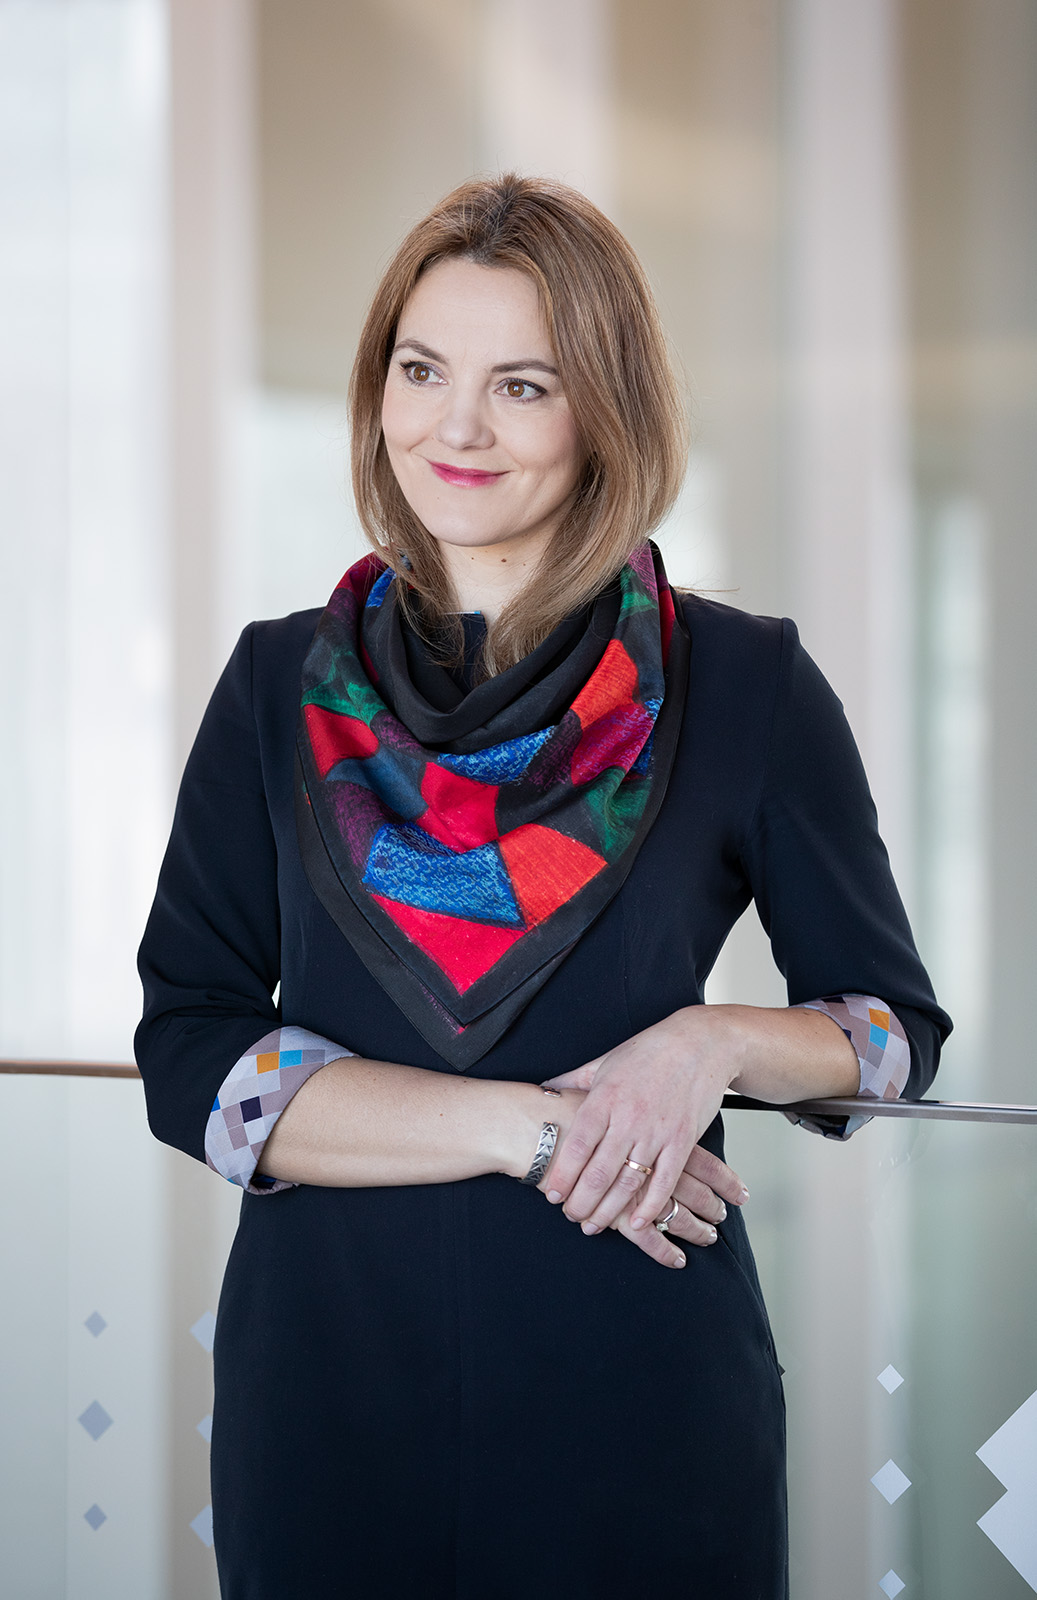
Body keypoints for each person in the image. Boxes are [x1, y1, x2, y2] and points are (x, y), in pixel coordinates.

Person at [135, 173, 950, 1599]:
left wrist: (710, 1043)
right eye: (421, 370)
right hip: (330, 1392)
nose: (454, 427)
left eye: (521, 385)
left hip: (638, 1389)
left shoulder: (742, 681)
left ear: (604, 413)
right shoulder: (275, 685)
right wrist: (534, 1131)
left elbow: (889, 1037)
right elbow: (191, 1050)